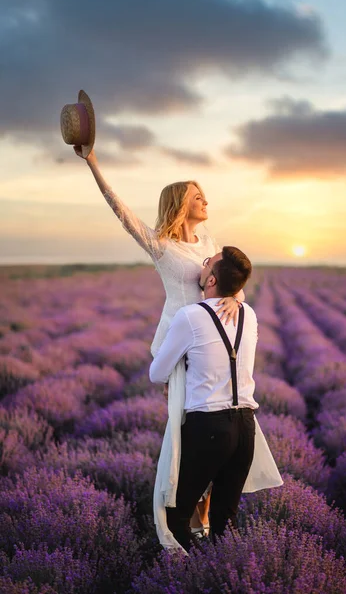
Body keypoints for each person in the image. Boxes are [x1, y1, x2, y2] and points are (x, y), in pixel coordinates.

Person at [73, 147, 283, 551]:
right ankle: (186, 520)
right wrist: (92, 162)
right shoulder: (161, 246)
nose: (206, 202)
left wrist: (237, 298)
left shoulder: (208, 240)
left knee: (218, 419)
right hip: (181, 348)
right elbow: (120, 210)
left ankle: (203, 517)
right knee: (186, 433)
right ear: (181, 204)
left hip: (214, 342)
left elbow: (228, 276)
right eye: (198, 196)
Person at [149, 247, 283, 552]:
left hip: (207, 426)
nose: (203, 261)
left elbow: (157, 373)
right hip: (245, 426)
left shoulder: (190, 316)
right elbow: (236, 291)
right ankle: (222, 573)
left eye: (208, 262)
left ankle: (189, 575)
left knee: (175, 515)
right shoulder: (248, 313)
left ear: (210, 280)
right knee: (226, 519)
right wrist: (235, 295)